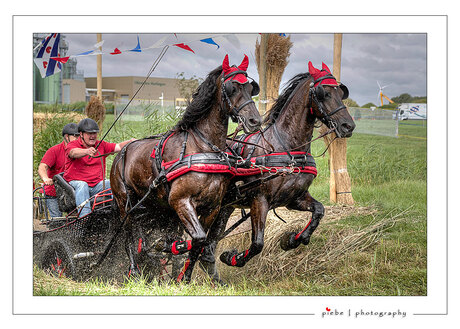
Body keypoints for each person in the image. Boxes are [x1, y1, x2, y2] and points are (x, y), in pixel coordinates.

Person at [63, 118, 136, 217]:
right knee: (82, 185)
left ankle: (120, 213)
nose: (93, 136)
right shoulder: (73, 145)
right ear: (81, 134)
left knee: (112, 183)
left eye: (95, 133)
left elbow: (118, 147)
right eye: (89, 133)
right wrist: (86, 151)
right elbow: (72, 152)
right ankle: (84, 218)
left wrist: (131, 142)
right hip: (75, 184)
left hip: (96, 185)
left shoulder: (101, 145)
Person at [38, 123, 79, 218]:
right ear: (66, 136)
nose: (78, 139)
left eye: (79, 136)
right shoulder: (54, 151)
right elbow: (42, 167)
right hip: (53, 192)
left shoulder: (79, 152)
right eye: (75, 136)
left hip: (71, 192)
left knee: (76, 219)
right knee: (57, 220)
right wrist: (46, 178)